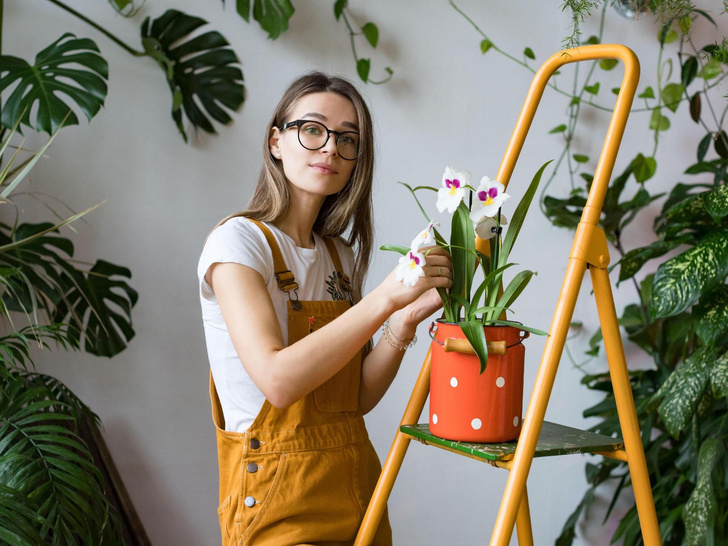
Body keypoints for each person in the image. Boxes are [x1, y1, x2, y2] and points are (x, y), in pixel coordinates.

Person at [198, 71, 452, 545]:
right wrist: (384, 298)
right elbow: (278, 381)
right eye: (312, 130)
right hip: (277, 499)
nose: (330, 148)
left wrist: (403, 319)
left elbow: (353, 400)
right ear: (276, 142)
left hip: (354, 485)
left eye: (347, 139)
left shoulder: (339, 254)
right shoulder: (237, 243)